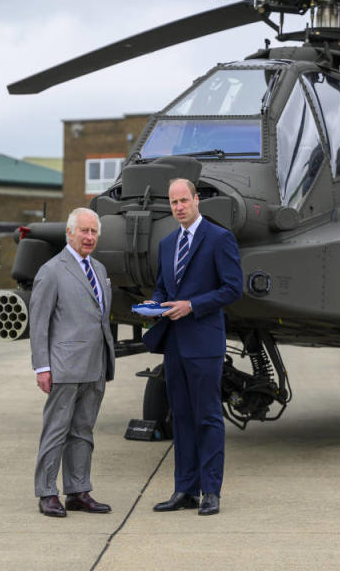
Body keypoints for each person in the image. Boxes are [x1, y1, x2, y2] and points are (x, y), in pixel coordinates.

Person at [141, 178, 243, 516]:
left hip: (204, 343)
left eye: (184, 200)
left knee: (207, 417)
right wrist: (153, 304)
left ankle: (210, 491)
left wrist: (193, 305)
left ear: (197, 200)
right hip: (175, 345)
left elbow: (232, 289)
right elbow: (161, 287)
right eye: (173, 203)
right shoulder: (168, 244)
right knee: (181, 418)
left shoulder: (219, 238)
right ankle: (184, 489)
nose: (179, 207)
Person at [30, 207, 115, 518]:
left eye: (94, 232)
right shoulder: (52, 271)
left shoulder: (100, 269)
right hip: (63, 366)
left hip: (94, 366)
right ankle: (47, 492)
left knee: (83, 431)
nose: (89, 237)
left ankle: (78, 491)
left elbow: (101, 320)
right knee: (56, 430)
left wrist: (107, 362)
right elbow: (39, 323)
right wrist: (42, 366)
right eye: (84, 231)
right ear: (69, 233)